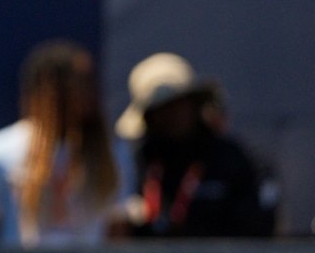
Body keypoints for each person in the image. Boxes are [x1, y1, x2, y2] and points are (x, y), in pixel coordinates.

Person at [0, 39, 134, 248]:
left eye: (91, 82)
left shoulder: (114, 153)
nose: (91, 92)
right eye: (80, 83)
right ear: (51, 89)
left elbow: (118, 237)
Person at [115, 52, 275, 238]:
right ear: (148, 117)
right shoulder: (135, 163)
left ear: (193, 104)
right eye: (160, 109)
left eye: (178, 103)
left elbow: (256, 227)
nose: (172, 115)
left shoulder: (231, 158)